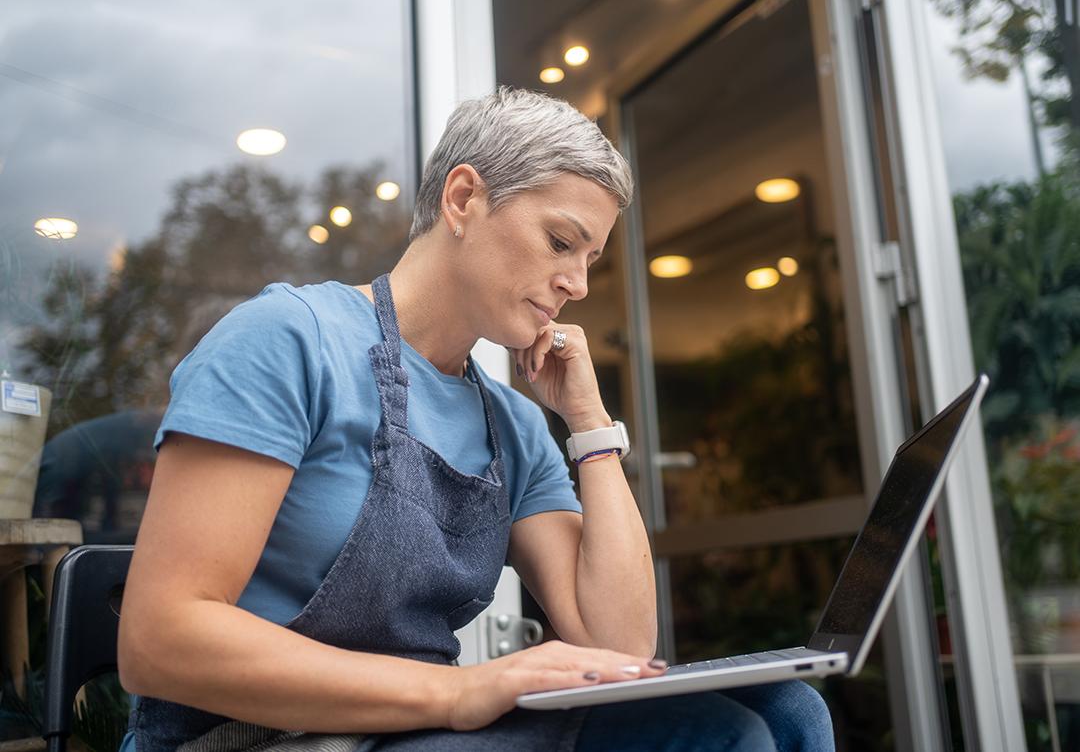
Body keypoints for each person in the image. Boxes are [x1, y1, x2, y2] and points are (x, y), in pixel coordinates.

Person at [117, 86, 834, 751]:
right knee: (714, 736)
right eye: (561, 243)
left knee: (790, 711)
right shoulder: (288, 340)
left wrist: (589, 426)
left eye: (590, 260)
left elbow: (618, 648)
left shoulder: (513, 431)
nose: (578, 285)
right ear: (463, 198)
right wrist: (458, 690)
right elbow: (159, 641)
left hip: (418, 735)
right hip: (264, 738)